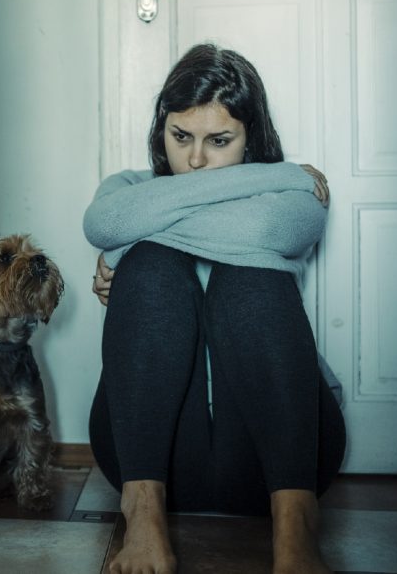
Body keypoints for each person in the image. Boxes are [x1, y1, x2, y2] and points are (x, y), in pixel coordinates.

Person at [83, 43, 346, 574]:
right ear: (163, 129)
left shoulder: (294, 199)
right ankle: (143, 516)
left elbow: (261, 230)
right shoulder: (130, 187)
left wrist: (129, 240)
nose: (196, 160)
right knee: (153, 265)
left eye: (219, 141)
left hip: (278, 457)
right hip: (150, 460)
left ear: (253, 140)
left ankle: (296, 526)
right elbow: (102, 224)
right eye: (181, 137)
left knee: (247, 275)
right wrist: (279, 175)